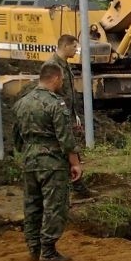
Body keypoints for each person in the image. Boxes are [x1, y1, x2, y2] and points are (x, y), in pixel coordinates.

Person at [12, 62, 82, 261]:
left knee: (32, 205)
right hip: (52, 163)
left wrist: (28, 152)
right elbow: (65, 139)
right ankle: (48, 250)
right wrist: (75, 163)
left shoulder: (21, 103)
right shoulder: (56, 104)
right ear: (56, 78)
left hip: (29, 160)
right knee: (54, 205)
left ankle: (33, 248)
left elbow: (16, 139)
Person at [49, 34, 88, 196]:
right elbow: (50, 94)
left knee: (70, 148)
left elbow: (69, 93)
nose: (76, 50)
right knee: (67, 149)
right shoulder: (52, 66)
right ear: (65, 46)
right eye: (74, 46)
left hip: (66, 113)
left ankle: (75, 185)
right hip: (58, 115)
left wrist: (74, 115)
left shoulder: (65, 65)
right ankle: (75, 187)